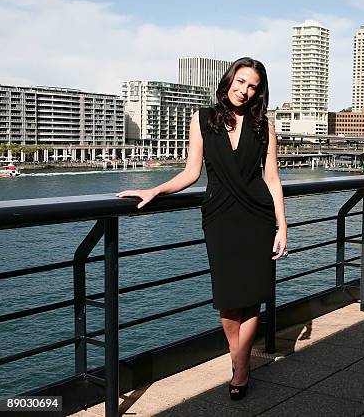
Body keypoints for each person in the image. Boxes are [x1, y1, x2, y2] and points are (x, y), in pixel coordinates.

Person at [116, 57, 288, 401]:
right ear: (228, 80)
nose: (244, 90)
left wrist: (282, 225)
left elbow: (271, 177)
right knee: (228, 300)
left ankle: (240, 366)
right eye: (240, 82)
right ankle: (239, 356)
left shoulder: (263, 124)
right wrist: (155, 189)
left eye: (252, 86)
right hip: (220, 217)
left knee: (253, 298)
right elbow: (192, 171)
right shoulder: (202, 119)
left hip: (258, 217)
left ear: (259, 91)